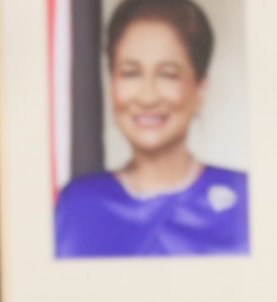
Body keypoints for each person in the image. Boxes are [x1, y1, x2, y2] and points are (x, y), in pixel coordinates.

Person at [54, 0, 250, 258]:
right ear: (111, 85)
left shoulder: (247, 202)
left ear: (199, 90)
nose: (147, 97)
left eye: (168, 74)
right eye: (130, 73)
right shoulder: (77, 206)